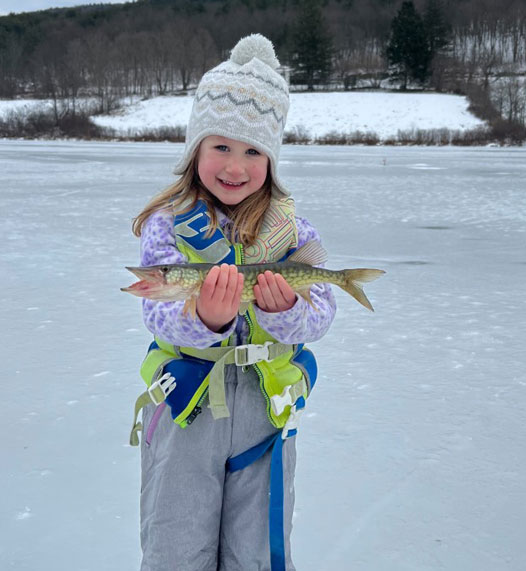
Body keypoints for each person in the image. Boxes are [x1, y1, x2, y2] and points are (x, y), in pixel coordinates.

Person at [128, 34, 336, 571]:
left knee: (256, 557)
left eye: (252, 151)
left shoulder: (292, 234)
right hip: (186, 417)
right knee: (175, 549)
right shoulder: (167, 228)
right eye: (220, 145)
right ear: (195, 146)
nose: (234, 166)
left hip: (263, 422)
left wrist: (283, 310)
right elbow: (158, 312)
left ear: (271, 158)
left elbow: (320, 315)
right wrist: (204, 318)